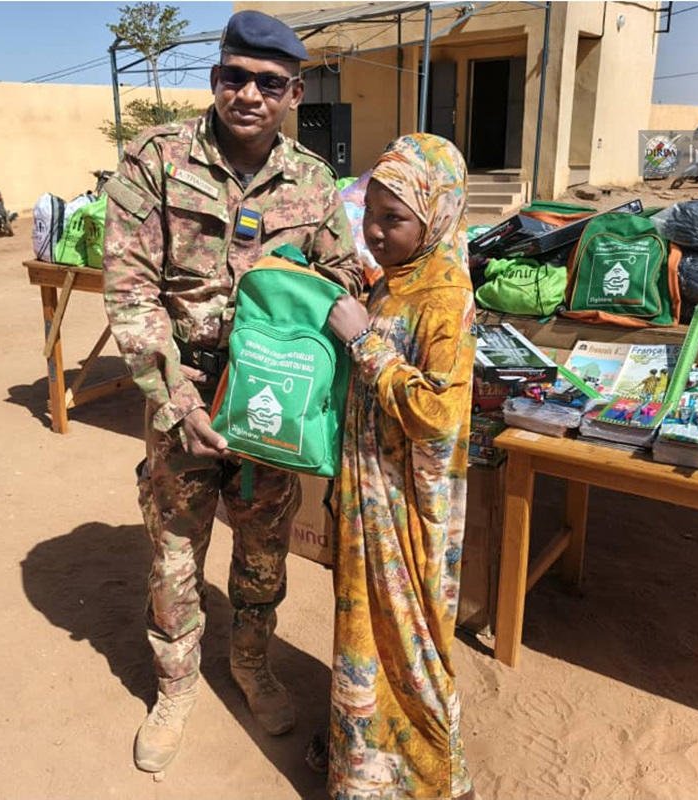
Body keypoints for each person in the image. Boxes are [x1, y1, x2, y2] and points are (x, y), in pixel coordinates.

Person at [102, 9, 363, 774]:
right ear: (216, 77)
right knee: (173, 552)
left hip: (270, 403)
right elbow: (128, 288)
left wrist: (311, 304)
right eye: (234, 77)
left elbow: (342, 278)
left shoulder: (313, 181)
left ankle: (251, 664)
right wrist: (176, 399)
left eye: (268, 83)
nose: (248, 94)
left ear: (294, 93)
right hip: (181, 395)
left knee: (263, 548)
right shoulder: (157, 159)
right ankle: (175, 685)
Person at [324, 133, 477, 799]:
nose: (375, 232)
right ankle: (363, 761)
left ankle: (428, 775)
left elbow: (437, 414)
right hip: (368, 494)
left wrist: (364, 340)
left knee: (409, 644)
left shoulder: (445, 296)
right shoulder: (397, 281)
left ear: (435, 216)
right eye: (370, 215)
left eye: (394, 219)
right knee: (366, 631)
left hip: (408, 510)